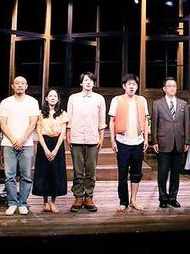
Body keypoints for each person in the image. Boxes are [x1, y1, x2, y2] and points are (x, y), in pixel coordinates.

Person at [0, 76, 40, 216]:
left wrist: (22, 139)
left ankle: (22, 203)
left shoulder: (32, 102)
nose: (20, 85)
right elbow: (3, 123)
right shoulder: (5, 102)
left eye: (22, 83)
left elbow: (33, 123)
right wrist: (13, 139)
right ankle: (11, 203)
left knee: (26, 175)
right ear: (12, 86)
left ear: (26, 86)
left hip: (26, 144)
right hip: (9, 143)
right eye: (17, 83)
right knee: (9, 176)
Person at [66, 72, 106, 212]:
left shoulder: (99, 99)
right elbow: (69, 119)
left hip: (93, 139)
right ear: (81, 83)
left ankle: (89, 196)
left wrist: (101, 138)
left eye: (91, 81)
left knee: (90, 170)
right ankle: (78, 197)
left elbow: (102, 121)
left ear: (94, 83)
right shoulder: (73, 98)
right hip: (76, 138)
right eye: (86, 80)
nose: (88, 83)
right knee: (77, 170)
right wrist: (68, 136)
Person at [109, 73, 149, 212]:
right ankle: (123, 201)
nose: (132, 87)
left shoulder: (142, 100)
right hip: (122, 141)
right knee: (123, 173)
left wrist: (146, 138)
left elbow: (146, 120)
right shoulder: (117, 100)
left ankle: (134, 200)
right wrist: (113, 140)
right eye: (129, 84)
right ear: (124, 86)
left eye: (134, 84)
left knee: (136, 173)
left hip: (138, 141)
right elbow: (112, 121)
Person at [152, 77, 190, 208]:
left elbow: (186, 124)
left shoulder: (183, 104)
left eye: (174, 86)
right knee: (162, 173)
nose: (172, 88)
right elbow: (155, 124)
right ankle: (163, 198)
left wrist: (187, 141)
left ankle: (173, 197)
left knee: (176, 173)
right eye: (169, 86)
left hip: (179, 142)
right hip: (163, 142)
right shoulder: (157, 104)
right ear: (164, 89)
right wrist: (155, 141)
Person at [32, 88, 68, 213]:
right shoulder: (40, 113)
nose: (53, 98)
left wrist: (55, 150)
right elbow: (38, 132)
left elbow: (63, 132)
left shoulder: (62, 113)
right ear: (46, 98)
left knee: (56, 173)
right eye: (50, 96)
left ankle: (53, 202)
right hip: (44, 144)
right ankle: (45, 202)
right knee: (44, 172)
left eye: (55, 96)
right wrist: (46, 150)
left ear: (58, 99)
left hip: (57, 144)